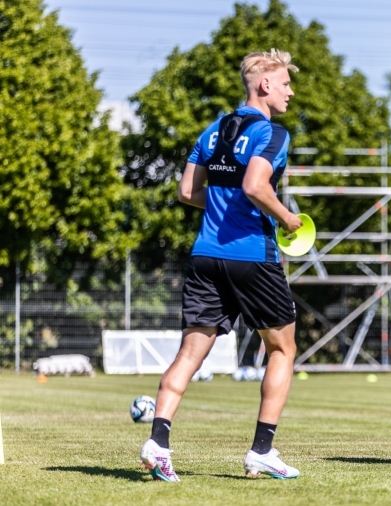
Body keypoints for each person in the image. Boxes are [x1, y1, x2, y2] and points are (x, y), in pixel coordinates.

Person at [139, 49, 303, 481]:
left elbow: (188, 192)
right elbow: (255, 185)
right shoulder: (274, 133)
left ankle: (157, 442)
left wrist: (220, 204)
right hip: (251, 255)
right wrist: (287, 217)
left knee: (190, 352)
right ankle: (262, 451)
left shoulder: (212, 131)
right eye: (285, 83)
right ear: (264, 84)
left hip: (206, 254)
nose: (289, 91)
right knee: (283, 348)